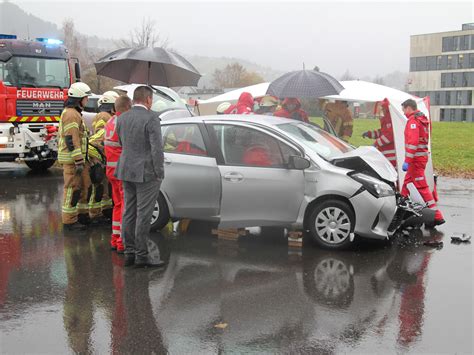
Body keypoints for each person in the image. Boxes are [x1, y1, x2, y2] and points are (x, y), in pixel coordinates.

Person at [115, 86, 166, 268]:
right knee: (143, 214)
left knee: (129, 212)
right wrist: (159, 172)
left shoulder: (122, 118)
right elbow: (157, 149)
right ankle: (142, 256)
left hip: (125, 169)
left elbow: (122, 143)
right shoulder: (152, 118)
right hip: (146, 173)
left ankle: (129, 253)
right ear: (148, 100)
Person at [400, 99, 445, 226]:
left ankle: (437, 216)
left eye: (403, 109)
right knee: (406, 185)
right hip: (419, 159)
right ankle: (400, 211)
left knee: (422, 187)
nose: (403, 113)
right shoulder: (422, 119)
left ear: (409, 108)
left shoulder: (413, 121)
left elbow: (413, 143)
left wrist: (407, 161)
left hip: (415, 161)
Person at [58, 82, 92, 231]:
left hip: (78, 159)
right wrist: (78, 160)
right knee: (72, 188)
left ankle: (82, 215)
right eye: (86, 97)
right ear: (79, 98)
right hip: (72, 160)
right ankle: (69, 221)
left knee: (83, 186)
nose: (87, 100)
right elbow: (71, 140)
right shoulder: (71, 114)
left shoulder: (74, 113)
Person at [104, 95, 132, 253]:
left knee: (117, 205)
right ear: (127, 108)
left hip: (111, 170)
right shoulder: (124, 123)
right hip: (122, 171)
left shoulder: (110, 122)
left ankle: (115, 238)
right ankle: (122, 241)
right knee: (125, 206)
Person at [88, 92, 119, 222]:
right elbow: (100, 135)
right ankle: (95, 213)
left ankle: (104, 211)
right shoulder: (103, 116)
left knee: (104, 186)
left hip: (102, 156)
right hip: (98, 156)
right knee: (99, 186)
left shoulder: (106, 115)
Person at [362, 99, 397, 167]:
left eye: (383, 108)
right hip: (386, 152)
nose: (382, 109)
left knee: (391, 171)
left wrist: (376, 143)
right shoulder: (387, 118)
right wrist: (369, 134)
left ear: (387, 109)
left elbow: (390, 135)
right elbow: (382, 132)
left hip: (390, 153)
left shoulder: (390, 119)